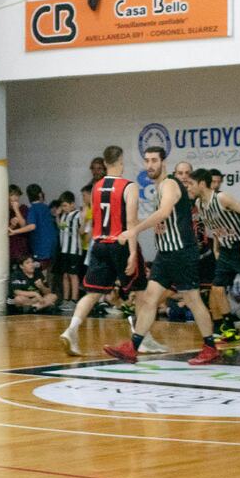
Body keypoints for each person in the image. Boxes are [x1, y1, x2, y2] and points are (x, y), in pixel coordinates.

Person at [104, 147, 220, 365]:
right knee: (149, 299)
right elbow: (165, 218)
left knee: (193, 299)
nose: (150, 165)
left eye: (154, 160)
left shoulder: (169, 184)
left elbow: (165, 212)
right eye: (146, 160)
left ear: (163, 162)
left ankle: (210, 347)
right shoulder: (160, 187)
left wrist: (135, 230)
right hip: (165, 254)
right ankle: (133, 346)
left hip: (181, 253)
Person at [59, 146, 150, 356]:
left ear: (105, 163)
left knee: (92, 293)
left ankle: (71, 330)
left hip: (98, 244)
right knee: (141, 293)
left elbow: (96, 219)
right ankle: (142, 338)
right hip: (120, 243)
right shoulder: (129, 186)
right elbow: (131, 222)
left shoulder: (96, 187)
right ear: (120, 161)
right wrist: (133, 253)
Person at [188, 168, 240, 338]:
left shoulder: (221, 198)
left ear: (201, 184)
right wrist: (216, 247)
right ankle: (229, 327)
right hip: (226, 251)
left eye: (191, 184)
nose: (189, 188)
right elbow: (216, 227)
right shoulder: (200, 204)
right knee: (217, 289)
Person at [55, 191, 83, 310]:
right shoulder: (64, 215)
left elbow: (83, 230)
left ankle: (74, 300)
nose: (64, 208)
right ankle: (66, 299)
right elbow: (61, 228)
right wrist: (57, 216)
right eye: (62, 206)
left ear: (72, 204)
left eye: (65, 205)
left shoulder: (78, 215)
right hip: (64, 250)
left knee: (73, 275)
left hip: (74, 251)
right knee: (65, 275)